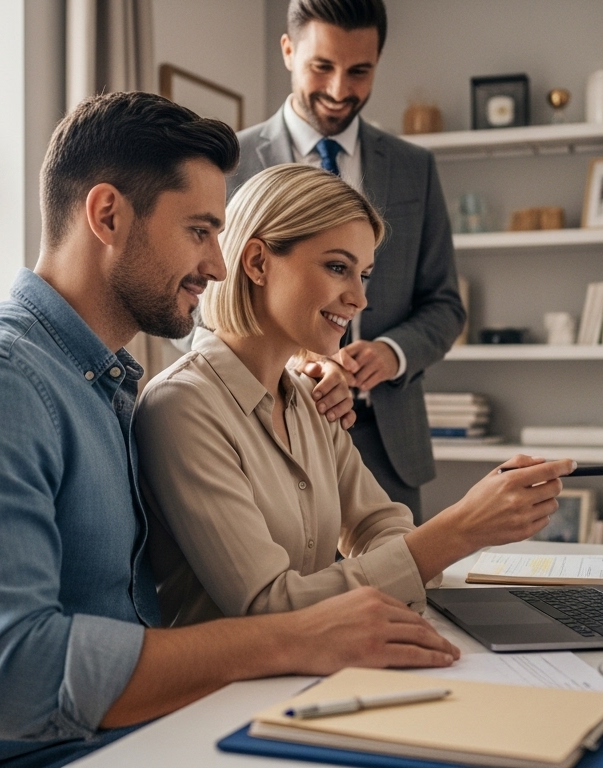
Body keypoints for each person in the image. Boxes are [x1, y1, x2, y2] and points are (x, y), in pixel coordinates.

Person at [0, 93, 458, 768]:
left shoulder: (98, 383)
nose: (218, 265)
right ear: (108, 214)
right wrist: (293, 638)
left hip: (153, 734)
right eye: (200, 231)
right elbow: (11, 680)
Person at [134, 164, 575, 626]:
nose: (360, 299)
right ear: (258, 262)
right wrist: (459, 530)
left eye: (363, 274)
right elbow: (268, 607)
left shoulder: (312, 397)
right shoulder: (182, 407)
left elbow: (377, 525)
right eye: (337, 267)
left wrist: (430, 547)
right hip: (228, 693)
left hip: (319, 667)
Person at [229, 0, 463, 522]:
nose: (339, 91)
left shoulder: (413, 169)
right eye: (322, 67)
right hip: (267, 427)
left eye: (359, 71)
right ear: (288, 51)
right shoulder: (231, 161)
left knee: (404, 585)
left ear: (378, 61)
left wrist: (392, 353)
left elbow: (445, 304)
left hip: (388, 440)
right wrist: (297, 361)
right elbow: (202, 301)